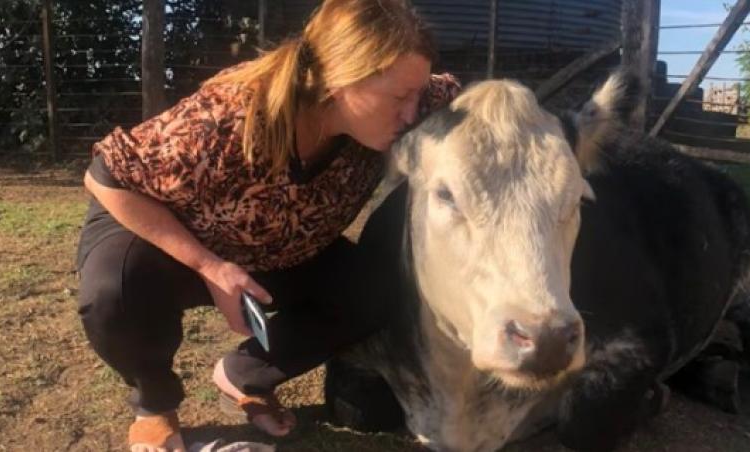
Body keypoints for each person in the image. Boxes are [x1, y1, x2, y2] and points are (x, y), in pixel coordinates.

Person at [76, 1, 461, 450]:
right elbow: (107, 176)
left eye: (417, 95)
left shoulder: (410, 100)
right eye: (400, 98)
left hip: (278, 248)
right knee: (113, 289)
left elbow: (469, 102)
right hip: (167, 235)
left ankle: (244, 377)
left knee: (375, 287)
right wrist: (210, 266)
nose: (413, 114)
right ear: (340, 80)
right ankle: (154, 402)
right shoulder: (231, 116)